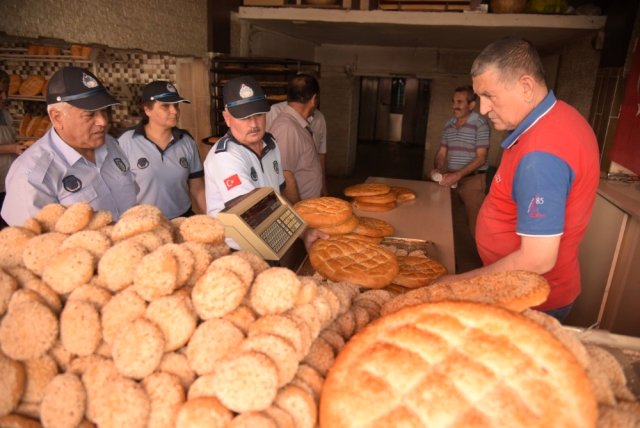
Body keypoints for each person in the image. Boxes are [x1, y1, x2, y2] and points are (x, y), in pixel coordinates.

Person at [434, 37, 600, 322]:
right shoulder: (559, 118)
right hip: (524, 288)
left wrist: (458, 284)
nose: (483, 109)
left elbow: (537, 259)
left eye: (490, 96)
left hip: (531, 300)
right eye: (479, 97)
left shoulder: (542, 152)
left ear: (525, 87)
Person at [1, 66, 137, 226]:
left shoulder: (111, 145)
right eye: (90, 114)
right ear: (57, 117)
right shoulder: (31, 176)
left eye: (104, 111)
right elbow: (33, 244)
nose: (103, 121)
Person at [203, 75, 325, 250]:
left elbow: (278, 197)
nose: (254, 123)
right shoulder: (226, 157)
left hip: (267, 242)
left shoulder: (270, 144)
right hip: (235, 251)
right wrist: (296, 233)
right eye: (244, 117)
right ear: (227, 118)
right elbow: (252, 213)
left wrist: (304, 232)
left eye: (258, 114)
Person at [118, 80, 205, 219]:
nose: (174, 111)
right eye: (165, 106)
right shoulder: (126, 141)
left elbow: (198, 188)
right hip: (144, 225)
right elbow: (117, 190)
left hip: (182, 221)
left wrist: (212, 219)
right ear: (147, 110)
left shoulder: (186, 141)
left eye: (176, 105)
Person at [432, 85, 490, 238]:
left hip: (473, 180)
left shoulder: (480, 124)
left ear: (471, 105)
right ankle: (452, 259)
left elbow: (481, 158)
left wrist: (457, 175)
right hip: (451, 180)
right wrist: (437, 168)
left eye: (459, 102)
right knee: (448, 220)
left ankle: (481, 260)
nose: (454, 106)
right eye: (453, 101)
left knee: (475, 224)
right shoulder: (448, 124)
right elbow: (442, 152)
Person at [266, 81, 329, 196]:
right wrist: (296, 210)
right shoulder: (287, 128)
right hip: (300, 209)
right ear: (314, 99)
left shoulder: (296, 123)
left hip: (309, 206)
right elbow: (284, 175)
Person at [0, 71, 27, 228]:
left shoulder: (4, 113)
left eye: (6, 90)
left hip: (6, 179)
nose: (5, 96)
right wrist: (12, 148)